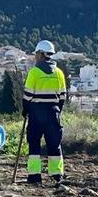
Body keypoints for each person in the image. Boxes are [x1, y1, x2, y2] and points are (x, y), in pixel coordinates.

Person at [22, 39, 68, 185]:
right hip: (53, 112)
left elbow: (27, 96)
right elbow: (62, 96)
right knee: (54, 144)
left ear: (41, 54)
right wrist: (56, 111)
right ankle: (57, 175)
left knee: (34, 144)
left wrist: (26, 110)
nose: (35, 56)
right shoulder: (59, 73)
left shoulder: (34, 72)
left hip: (36, 113)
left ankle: (34, 176)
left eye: (36, 53)